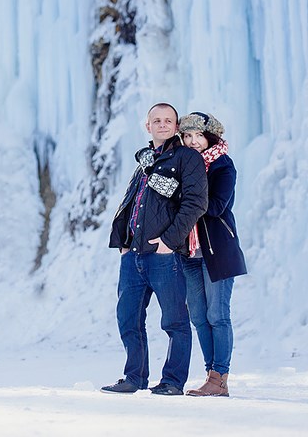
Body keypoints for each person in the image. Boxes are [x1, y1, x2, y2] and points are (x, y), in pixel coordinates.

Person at [102, 103, 208, 396]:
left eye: (168, 121)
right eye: (156, 120)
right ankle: (134, 377)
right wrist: (122, 242)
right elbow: (132, 201)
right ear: (147, 126)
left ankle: (173, 381)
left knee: (174, 321)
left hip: (164, 256)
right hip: (133, 255)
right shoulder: (145, 161)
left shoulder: (187, 158)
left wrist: (168, 242)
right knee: (128, 318)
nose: (162, 125)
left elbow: (196, 203)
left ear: (176, 126)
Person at [177, 112, 248, 397]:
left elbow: (217, 206)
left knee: (218, 314)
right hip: (189, 252)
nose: (194, 142)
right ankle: (211, 375)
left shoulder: (222, 166)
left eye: (199, 136)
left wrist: (185, 196)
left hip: (217, 250)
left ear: (210, 138)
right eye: (188, 136)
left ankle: (220, 377)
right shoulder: (183, 167)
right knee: (198, 316)